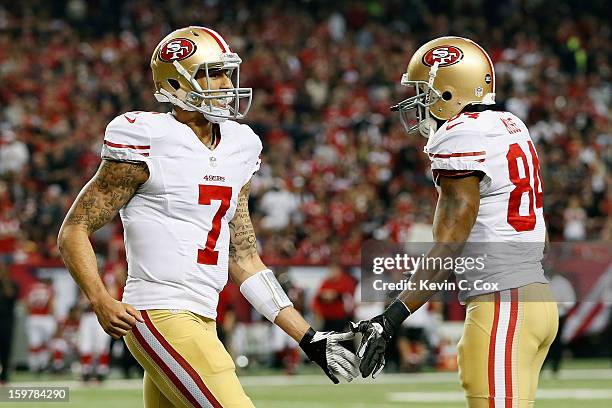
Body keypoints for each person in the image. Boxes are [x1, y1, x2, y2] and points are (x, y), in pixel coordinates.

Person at [58, 26, 358, 407]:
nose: (224, 82)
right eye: (211, 73)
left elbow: (245, 258)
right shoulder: (148, 137)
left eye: (225, 71)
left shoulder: (241, 144)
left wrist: (308, 337)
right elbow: (74, 229)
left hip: (203, 315)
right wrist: (100, 298)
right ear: (176, 83)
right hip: (159, 310)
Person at [354, 37, 558, 408]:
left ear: (449, 92)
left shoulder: (461, 135)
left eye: (425, 93)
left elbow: (449, 244)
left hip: (502, 305)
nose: (419, 104)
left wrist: (391, 317)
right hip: (537, 299)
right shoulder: (510, 125)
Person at [0, 263, 18, 383]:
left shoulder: (13, 284)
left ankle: (4, 375)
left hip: (6, 320)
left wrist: (5, 280)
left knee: (5, 347)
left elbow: (9, 294)